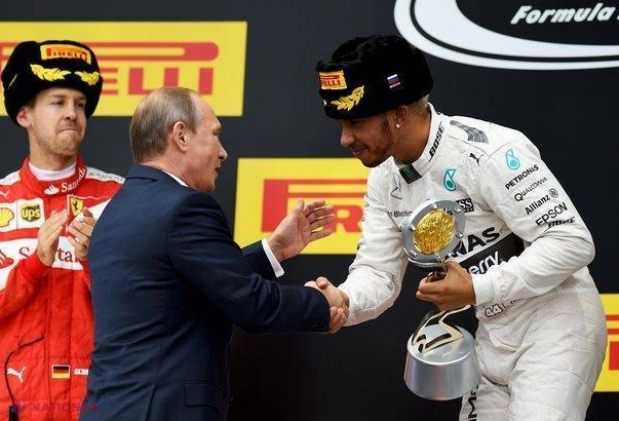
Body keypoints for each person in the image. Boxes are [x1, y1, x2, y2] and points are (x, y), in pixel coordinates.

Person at [312, 34, 607, 420]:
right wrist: (343, 300)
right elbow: (378, 274)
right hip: (490, 335)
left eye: (356, 122)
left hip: (556, 325)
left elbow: (571, 240)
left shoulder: (489, 152)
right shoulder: (384, 180)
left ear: (399, 115)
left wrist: (476, 288)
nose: (345, 138)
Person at [80, 86, 347, 421]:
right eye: (215, 135)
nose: (223, 153)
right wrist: (322, 305)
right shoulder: (184, 208)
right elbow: (251, 304)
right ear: (181, 135)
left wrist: (274, 249)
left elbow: (191, 287)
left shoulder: (114, 212)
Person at [0, 40, 124, 420]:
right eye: (58, 102)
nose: (72, 113)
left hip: (99, 404)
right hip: (15, 405)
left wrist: (94, 262)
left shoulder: (119, 197)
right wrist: (35, 265)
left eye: (80, 104)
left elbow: (145, 306)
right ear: (24, 114)